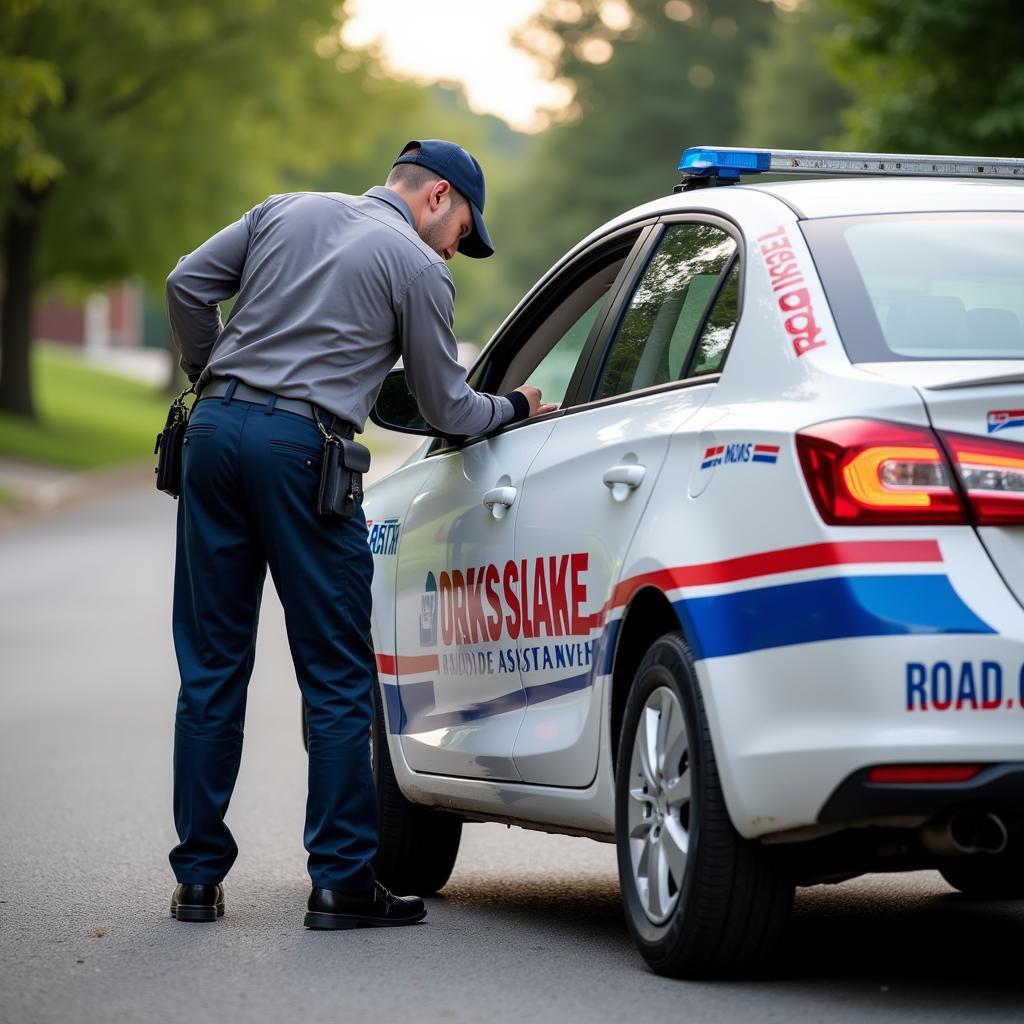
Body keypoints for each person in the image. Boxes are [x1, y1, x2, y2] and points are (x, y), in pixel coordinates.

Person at [164, 139, 555, 929]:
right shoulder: (417, 267)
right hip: (302, 455)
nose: (457, 251)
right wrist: (516, 407)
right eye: (462, 232)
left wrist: (215, 379)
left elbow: (185, 285)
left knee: (211, 663)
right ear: (437, 196)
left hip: (211, 438)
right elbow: (448, 411)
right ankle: (341, 881)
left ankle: (198, 881)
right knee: (338, 675)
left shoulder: (284, 211)